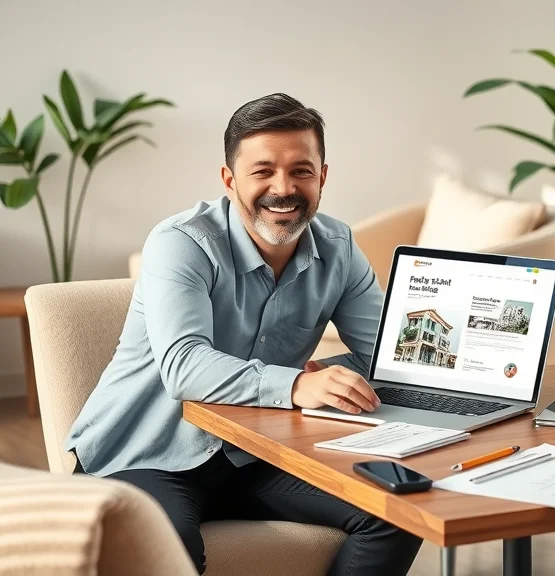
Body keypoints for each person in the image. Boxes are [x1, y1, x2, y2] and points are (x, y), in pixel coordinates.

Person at [66, 93, 422, 575]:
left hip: (253, 455)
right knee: (164, 546)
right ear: (229, 180)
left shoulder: (339, 248)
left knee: (398, 511)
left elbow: (390, 355)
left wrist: (332, 376)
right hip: (145, 453)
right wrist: (296, 384)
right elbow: (184, 366)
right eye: (263, 171)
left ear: (323, 176)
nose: (284, 187)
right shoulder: (181, 244)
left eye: (301, 170)